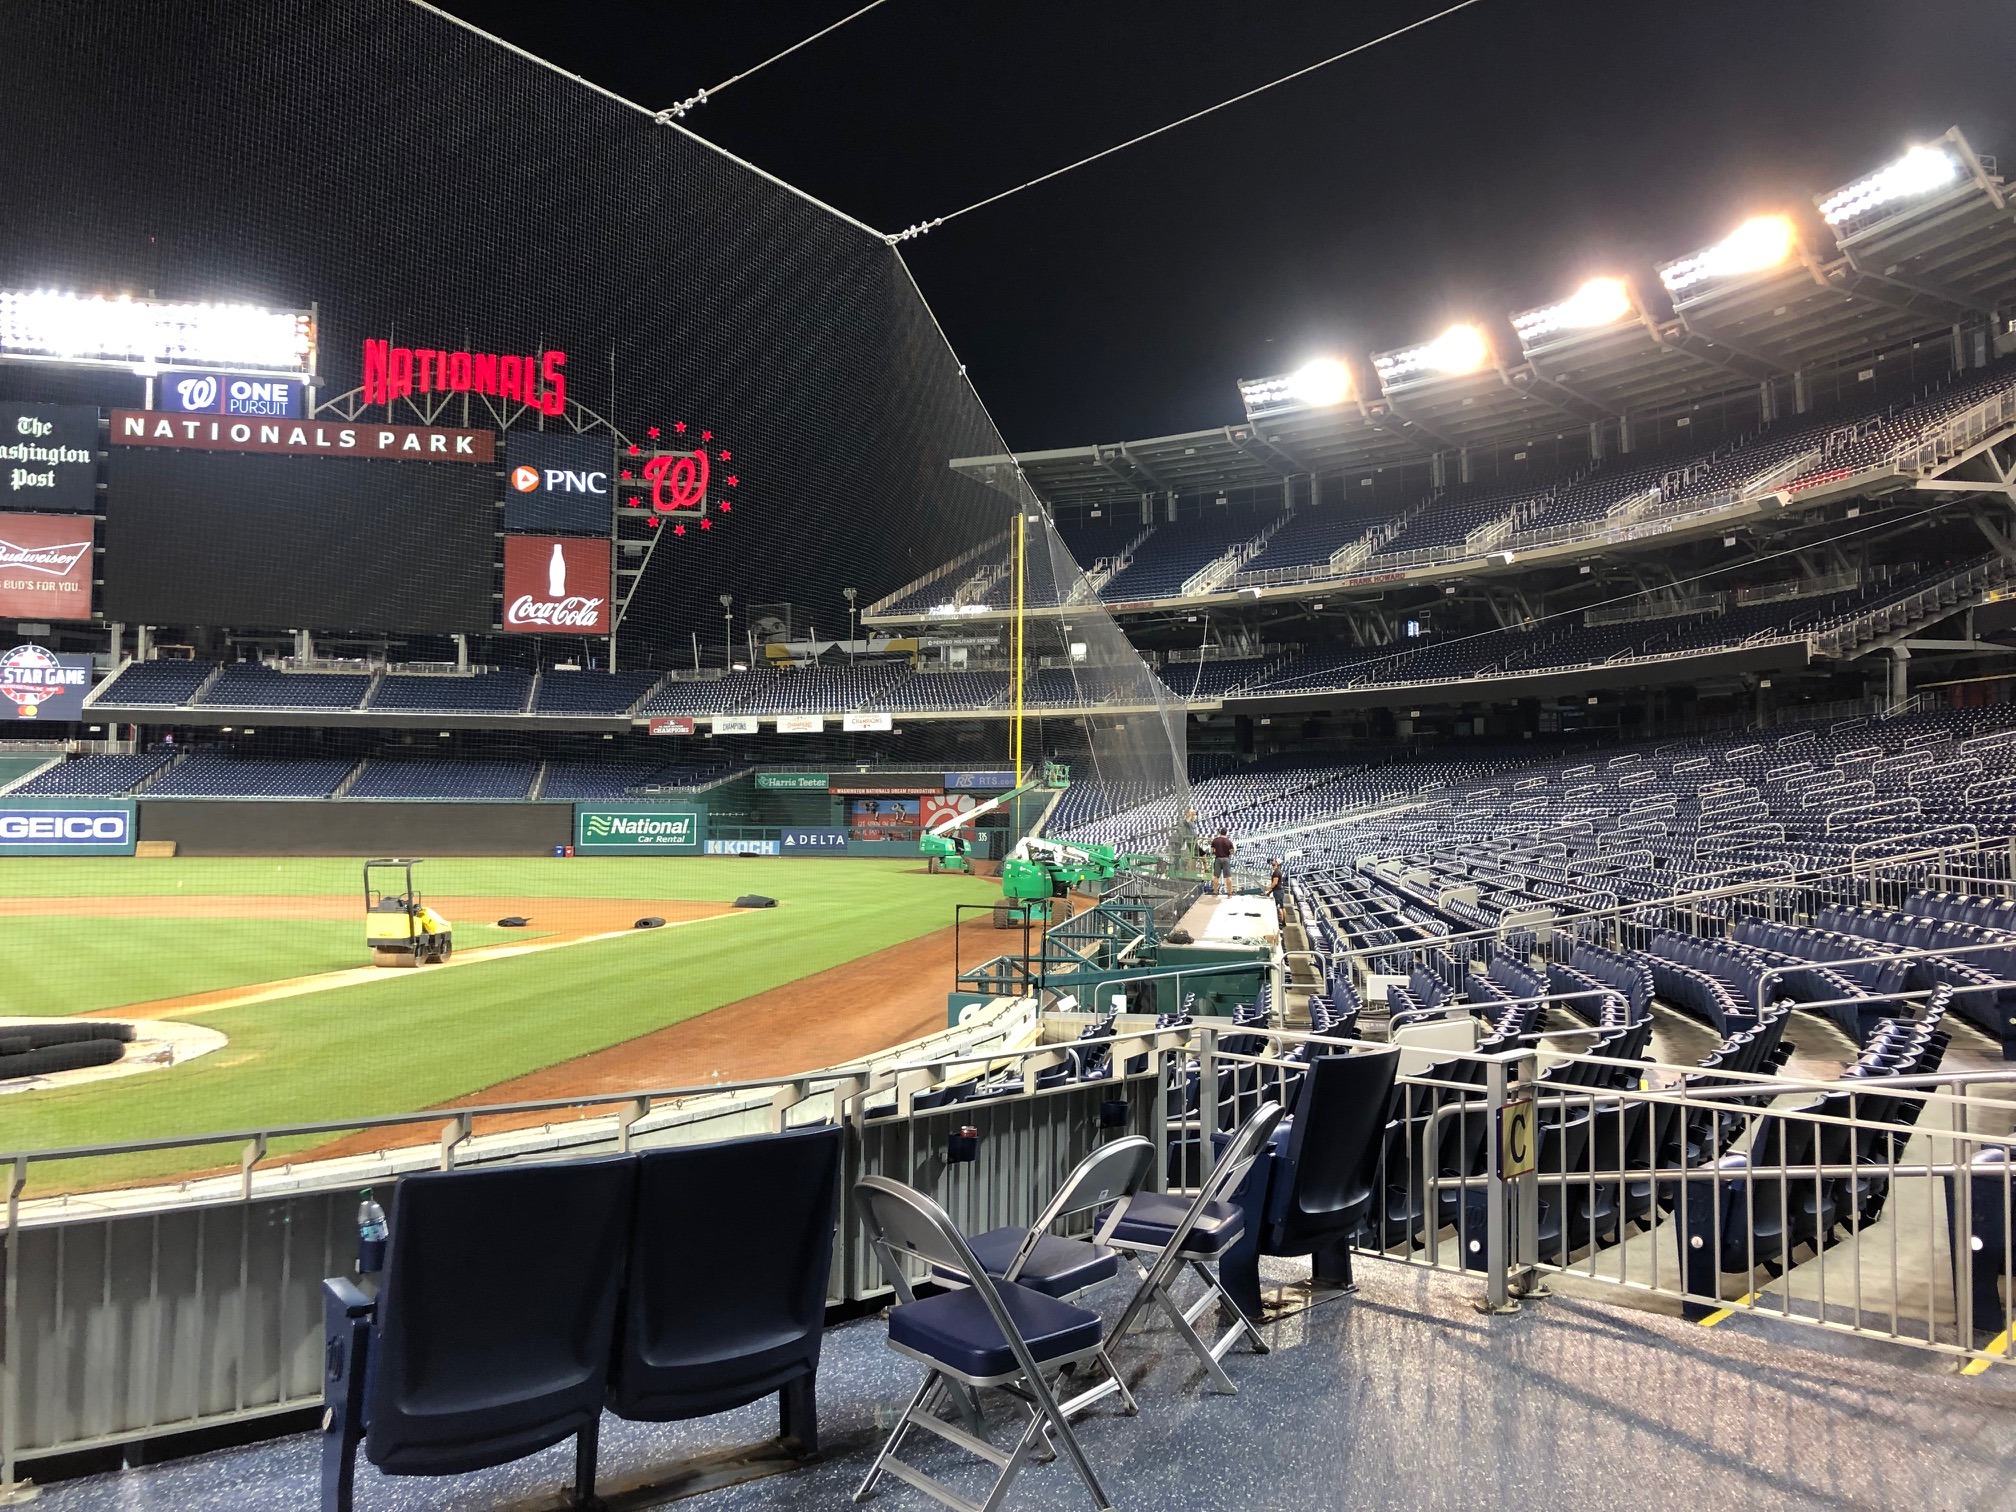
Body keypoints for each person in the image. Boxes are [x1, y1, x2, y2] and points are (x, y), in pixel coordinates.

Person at [1209, 827, 1235, 896]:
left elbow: (1211, 851)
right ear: (1226, 833)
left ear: (1220, 832)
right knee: (1228, 877)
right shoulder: (1229, 842)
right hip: (1226, 859)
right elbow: (1232, 852)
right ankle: (1230, 893)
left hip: (1218, 859)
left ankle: (1215, 892)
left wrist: (1215, 853)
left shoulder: (1215, 840)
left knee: (1216, 876)